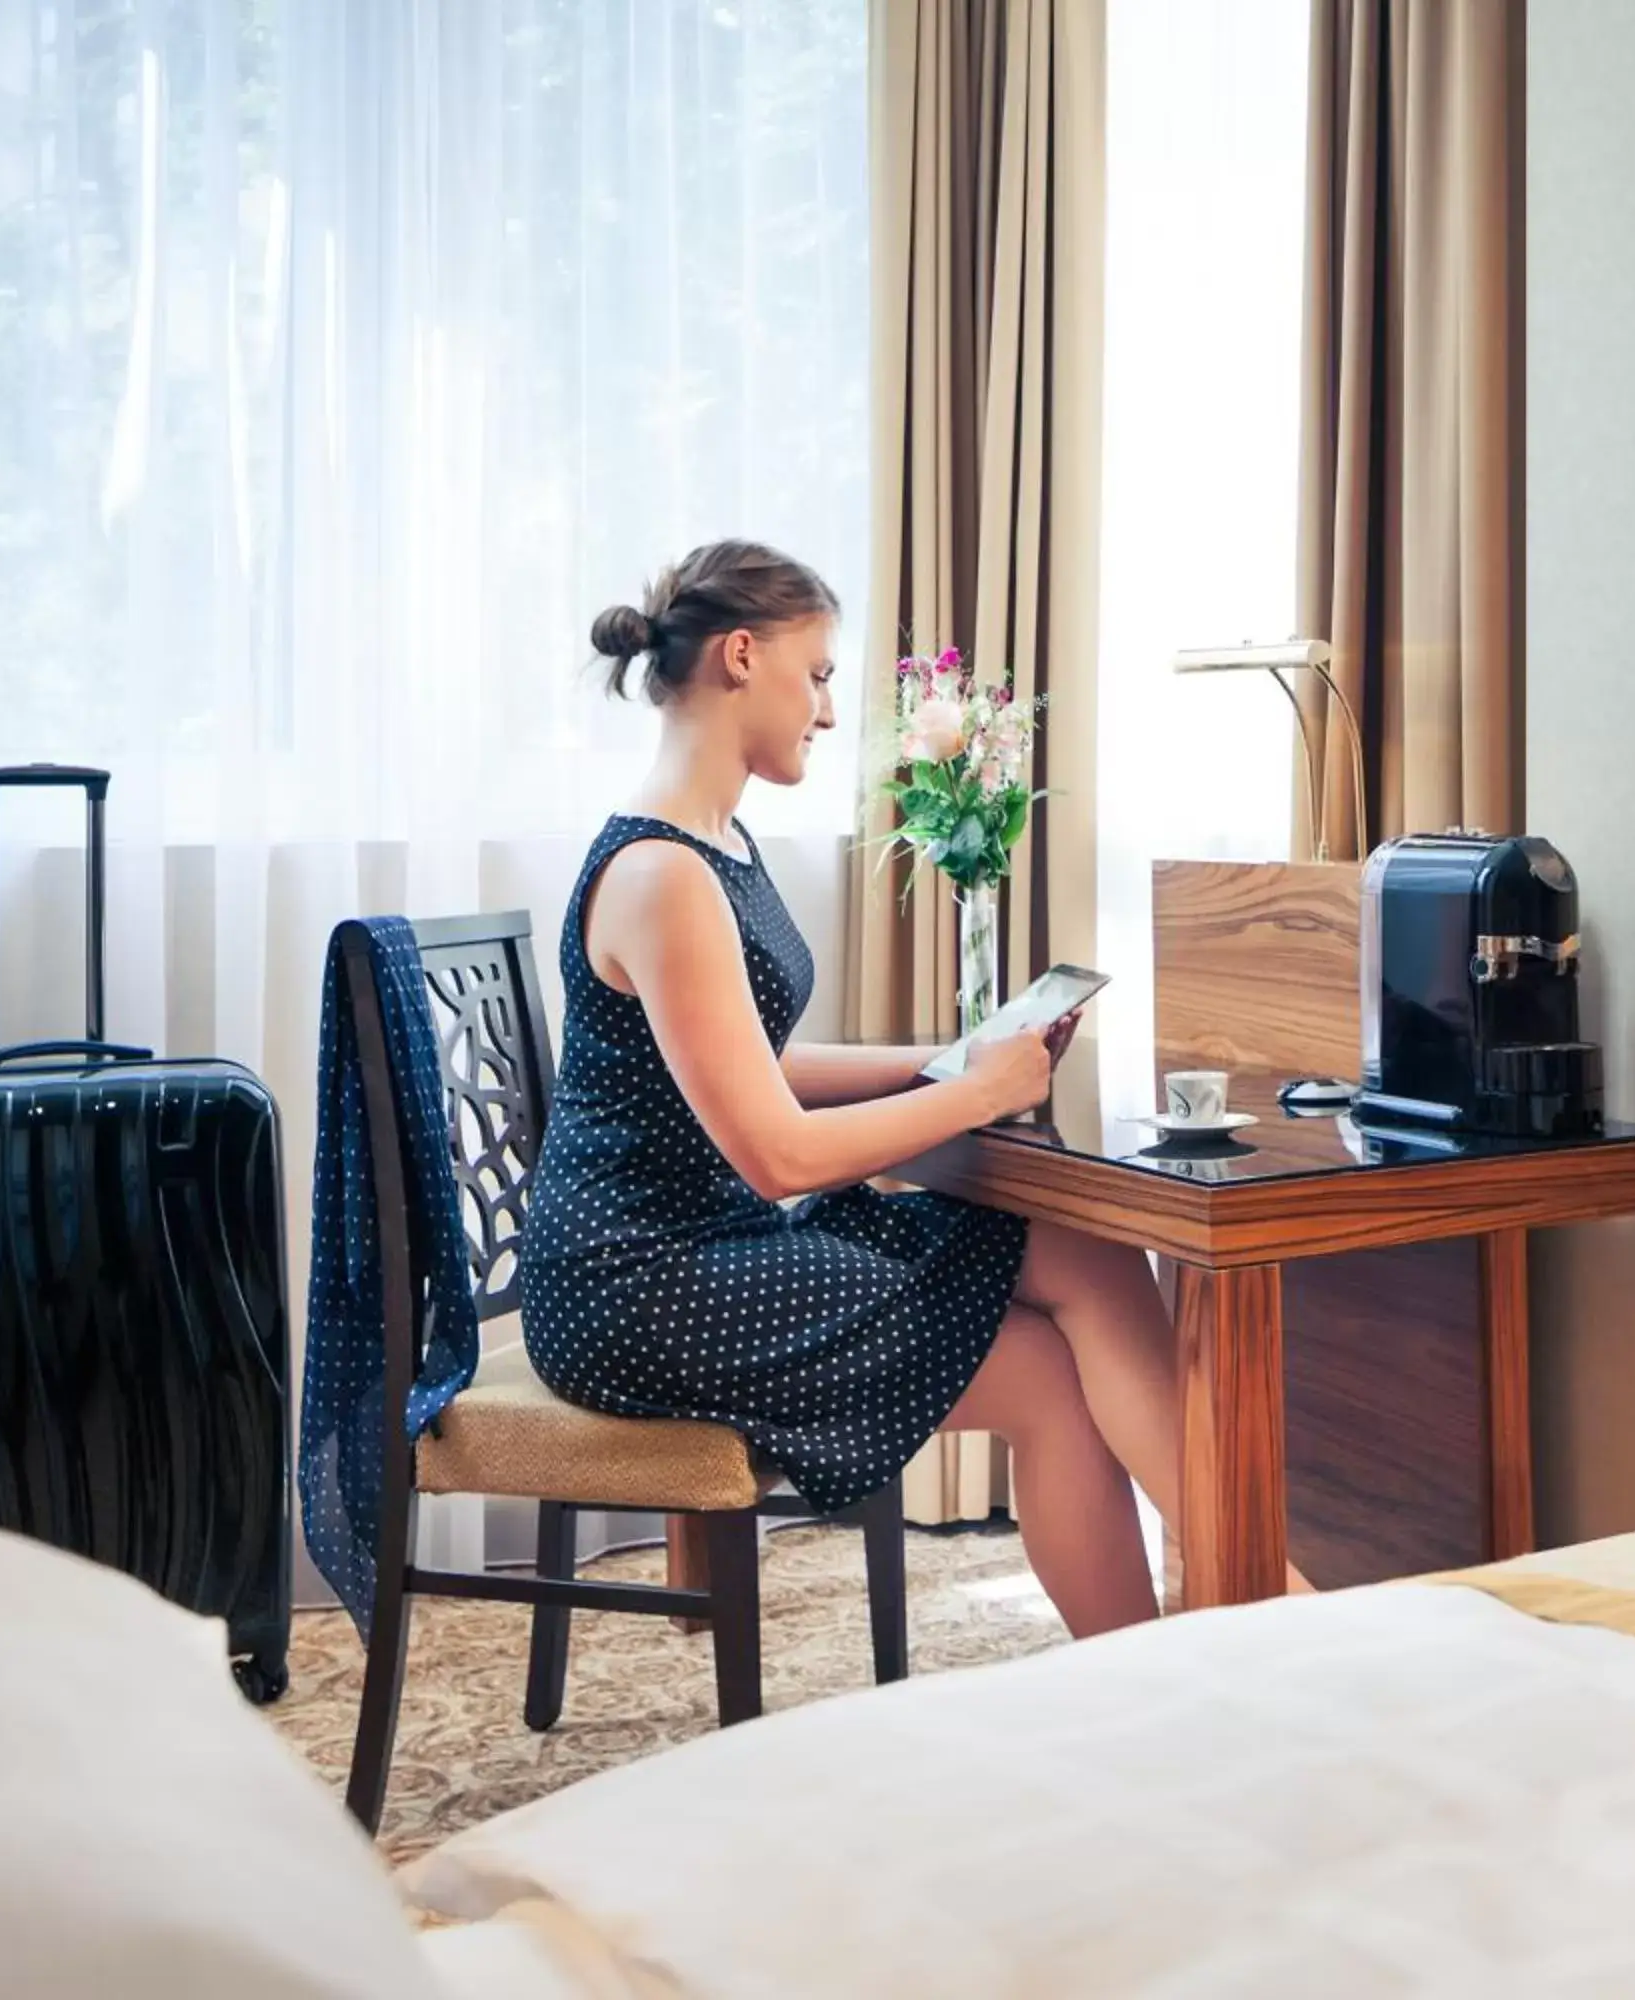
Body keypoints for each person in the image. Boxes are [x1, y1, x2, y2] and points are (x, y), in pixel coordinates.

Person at [520, 539, 1259, 1639]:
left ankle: (1230, 1600)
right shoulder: (664, 875)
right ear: (739, 657)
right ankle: (1232, 1626)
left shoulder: (709, 839)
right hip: (637, 1284)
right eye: (816, 673)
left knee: (1081, 1266)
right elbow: (776, 1152)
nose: (826, 709)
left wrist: (940, 1063)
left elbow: (749, 1068)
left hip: (700, 1244)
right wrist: (972, 1094)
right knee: (1056, 1341)